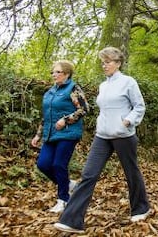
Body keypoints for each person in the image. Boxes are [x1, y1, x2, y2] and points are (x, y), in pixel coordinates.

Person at [54, 47, 150, 233]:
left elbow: (139, 106)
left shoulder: (128, 82)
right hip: (102, 135)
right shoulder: (103, 85)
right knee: (88, 174)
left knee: (132, 173)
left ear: (118, 63)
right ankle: (72, 220)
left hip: (123, 135)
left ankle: (141, 208)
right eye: (103, 62)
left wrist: (128, 121)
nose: (104, 65)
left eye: (108, 61)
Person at [31, 60, 89, 213]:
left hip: (68, 133)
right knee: (43, 164)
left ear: (67, 74)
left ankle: (63, 200)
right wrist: (38, 135)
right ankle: (68, 184)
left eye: (58, 72)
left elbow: (84, 109)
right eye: (53, 72)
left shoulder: (73, 89)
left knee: (58, 165)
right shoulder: (50, 92)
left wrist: (66, 120)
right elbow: (46, 116)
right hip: (50, 134)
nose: (54, 75)